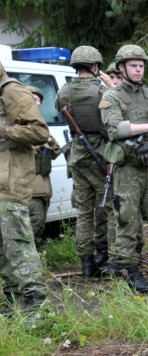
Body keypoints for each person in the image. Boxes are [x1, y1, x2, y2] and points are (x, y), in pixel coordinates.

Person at [99, 44, 148, 292]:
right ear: (121, 67)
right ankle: (128, 270)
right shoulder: (111, 97)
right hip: (128, 170)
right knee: (127, 221)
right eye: (133, 65)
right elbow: (116, 129)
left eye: (141, 66)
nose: (138, 69)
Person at [56, 45, 110, 278]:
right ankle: (106, 255)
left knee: (84, 213)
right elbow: (111, 121)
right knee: (108, 207)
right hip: (101, 156)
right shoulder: (103, 92)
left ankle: (87, 264)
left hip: (77, 155)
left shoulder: (64, 92)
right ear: (96, 66)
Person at [0, 61, 50, 310]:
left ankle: (35, 302)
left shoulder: (11, 90)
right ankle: (13, 303)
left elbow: (40, 132)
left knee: (17, 242)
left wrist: (4, 131)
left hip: (11, 181)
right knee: (3, 248)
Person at [27, 86, 63, 251]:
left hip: (43, 187)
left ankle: (37, 255)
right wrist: (40, 144)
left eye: (40, 100)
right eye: (34, 99)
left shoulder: (40, 125)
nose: (39, 103)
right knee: (33, 224)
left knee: (40, 225)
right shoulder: (18, 124)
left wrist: (47, 141)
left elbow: (55, 150)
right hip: (29, 188)